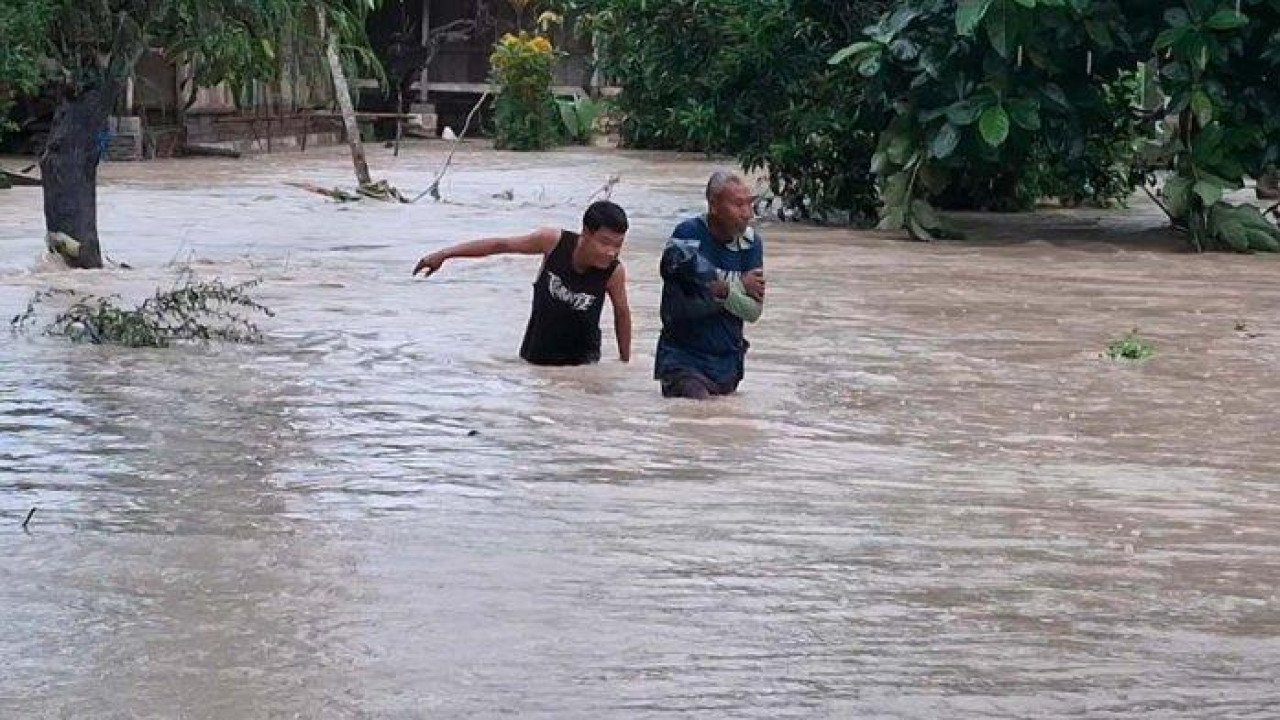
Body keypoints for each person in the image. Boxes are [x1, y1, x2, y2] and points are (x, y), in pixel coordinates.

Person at [413, 200, 632, 365]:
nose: (611, 252)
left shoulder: (613, 272)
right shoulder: (553, 243)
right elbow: (500, 245)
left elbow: (622, 314)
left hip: (583, 366)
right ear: (585, 233)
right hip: (535, 356)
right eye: (604, 243)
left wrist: (624, 364)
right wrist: (444, 254)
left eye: (618, 245)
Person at [655, 172, 765, 399]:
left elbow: (753, 312)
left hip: (727, 363)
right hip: (683, 358)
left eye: (749, 204)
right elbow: (679, 305)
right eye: (738, 205)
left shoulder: (751, 244)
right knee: (700, 411)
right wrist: (738, 285)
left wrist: (722, 291)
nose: (748, 214)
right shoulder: (687, 235)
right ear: (713, 205)